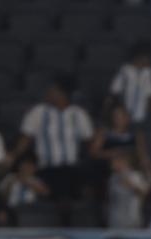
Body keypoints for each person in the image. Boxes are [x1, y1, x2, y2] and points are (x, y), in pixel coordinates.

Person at [12, 75, 93, 215]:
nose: (48, 93)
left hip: (71, 169)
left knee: (79, 182)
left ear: (63, 94)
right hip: (46, 170)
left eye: (53, 90)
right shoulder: (38, 112)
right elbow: (25, 140)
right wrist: (12, 157)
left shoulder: (79, 115)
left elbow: (89, 143)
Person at [108, 41, 151, 126]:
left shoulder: (148, 72)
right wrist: (119, 108)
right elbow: (115, 90)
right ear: (139, 57)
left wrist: (150, 111)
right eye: (147, 58)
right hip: (124, 113)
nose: (149, 60)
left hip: (141, 115)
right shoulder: (125, 70)